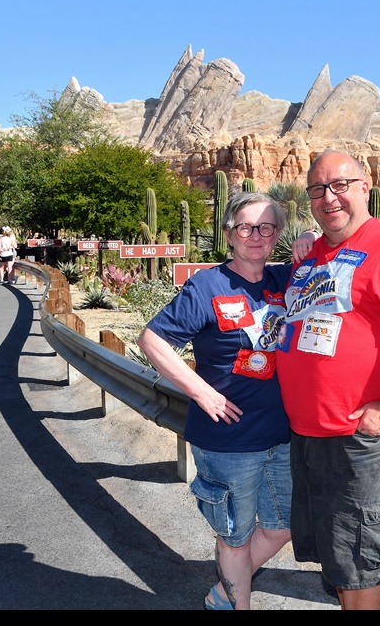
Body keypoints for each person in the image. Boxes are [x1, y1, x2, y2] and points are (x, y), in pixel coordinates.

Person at [275, 150, 380, 610]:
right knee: (340, 562)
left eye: (340, 185)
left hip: (358, 440)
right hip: (309, 436)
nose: (329, 197)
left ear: (365, 187)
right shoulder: (313, 254)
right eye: (317, 189)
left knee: (361, 562)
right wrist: (308, 239)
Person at [137, 192, 317, 610]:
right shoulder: (207, 286)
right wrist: (201, 391)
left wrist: (310, 233)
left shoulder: (284, 280)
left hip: (280, 434)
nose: (256, 236)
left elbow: (326, 254)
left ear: (277, 235)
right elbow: (152, 339)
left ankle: (224, 592)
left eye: (266, 227)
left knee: (283, 526)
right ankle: (237, 602)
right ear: (229, 234)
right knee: (234, 537)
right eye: (245, 227)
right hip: (227, 440)